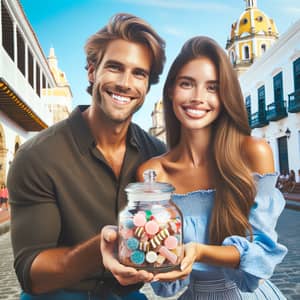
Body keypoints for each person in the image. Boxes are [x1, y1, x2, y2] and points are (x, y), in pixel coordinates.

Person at [7, 13, 166, 300]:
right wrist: (101, 250)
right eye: (115, 68)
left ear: (147, 84)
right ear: (92, 72)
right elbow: (31, 274)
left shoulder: (156, 154)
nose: (125, 83)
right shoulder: (37, 156)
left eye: (139, 73)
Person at [137, 36, 288, 299]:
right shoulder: (153, 173)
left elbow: (263, 254)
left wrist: (200, 251)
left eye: (212, 87)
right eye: (187, 84)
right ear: (171, 89)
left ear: (225, 95)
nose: (198, 98)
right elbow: (163, 276)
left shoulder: (254, 152)